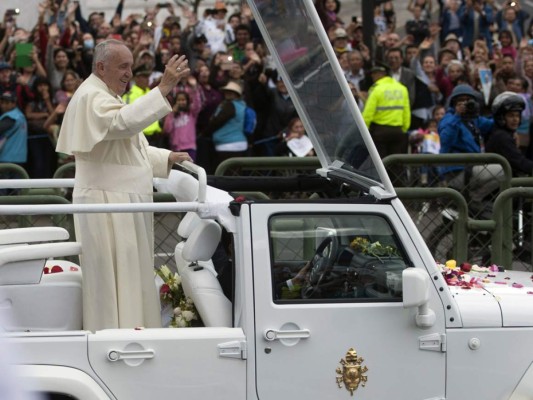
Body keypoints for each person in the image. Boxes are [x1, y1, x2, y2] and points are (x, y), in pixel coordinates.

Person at [55, 39, 192, 332]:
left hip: (119, 201)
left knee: (130, 276)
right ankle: (116, 339)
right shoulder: (92, 95)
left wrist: (167, 156)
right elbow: (121, 125)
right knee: (114, 280)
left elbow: (127, 149)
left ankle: (134, 334)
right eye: (123, 66)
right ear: (101, 67)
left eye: (131, 66)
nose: (129, 72)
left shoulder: (102, 94)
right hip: (108, 203)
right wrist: (163, 87)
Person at [438, 84, 500, 218]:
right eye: (461, 100)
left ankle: (474, 203)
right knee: (502, 170)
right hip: (457, 173)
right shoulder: (448, 119)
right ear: (453, 103)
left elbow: (493, 124)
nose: (465, 103)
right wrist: (457, 116)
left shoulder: (473, 119)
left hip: (472, 169)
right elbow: (445, 141)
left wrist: (507, 120)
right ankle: (474, 200)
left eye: (468, 100)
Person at [362, 65, 411, 159]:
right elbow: (406, 111)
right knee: (396, 162)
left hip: (380, 131)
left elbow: (368, 112)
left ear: (379, 75)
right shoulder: (402, 88)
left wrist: (365, 128)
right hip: (398, 130)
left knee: (381, 162)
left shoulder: (376, 89)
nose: (372, 77)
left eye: (373, 74)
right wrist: (404, 129)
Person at [485, 92, 533, 176]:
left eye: (517, 116)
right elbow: (519, 162)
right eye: (511, 116)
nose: (515, 119)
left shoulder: (507, 134)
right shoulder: (501, 136)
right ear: (501, 117)